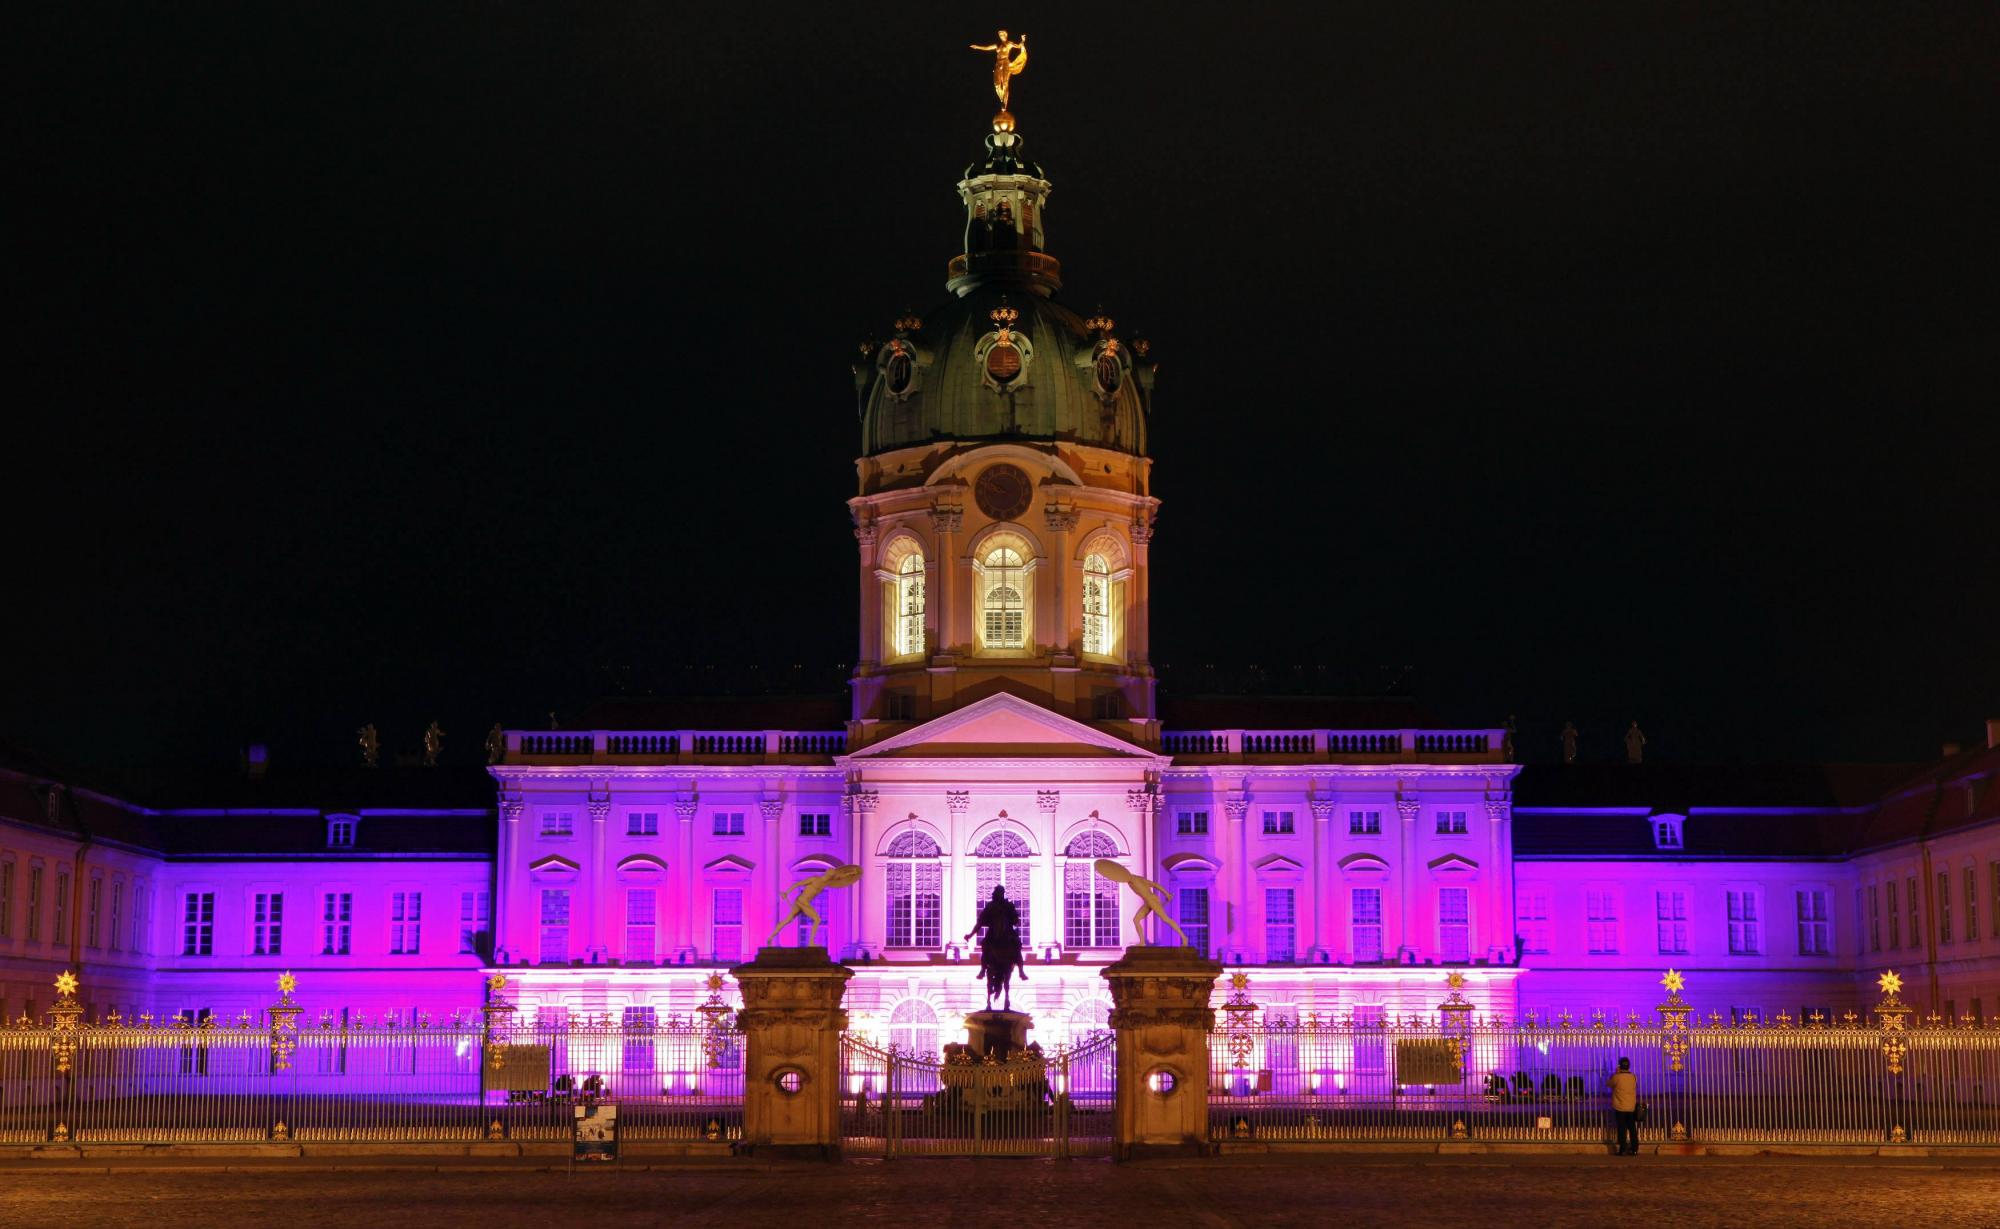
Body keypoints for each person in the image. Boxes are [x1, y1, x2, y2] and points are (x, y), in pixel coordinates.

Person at [1609, 1056, 1639, 1155]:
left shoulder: (1616, 1077)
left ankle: (1623, 1149)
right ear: (1629, 1066)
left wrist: (1616, 1072)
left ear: (1620, 1066)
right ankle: (1634, 1149)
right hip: (1631, 1107)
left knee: (1622, 1128)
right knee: (1632, 1128)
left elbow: (1608, 1084)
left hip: (1620, 1107)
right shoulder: (1633, 1076)